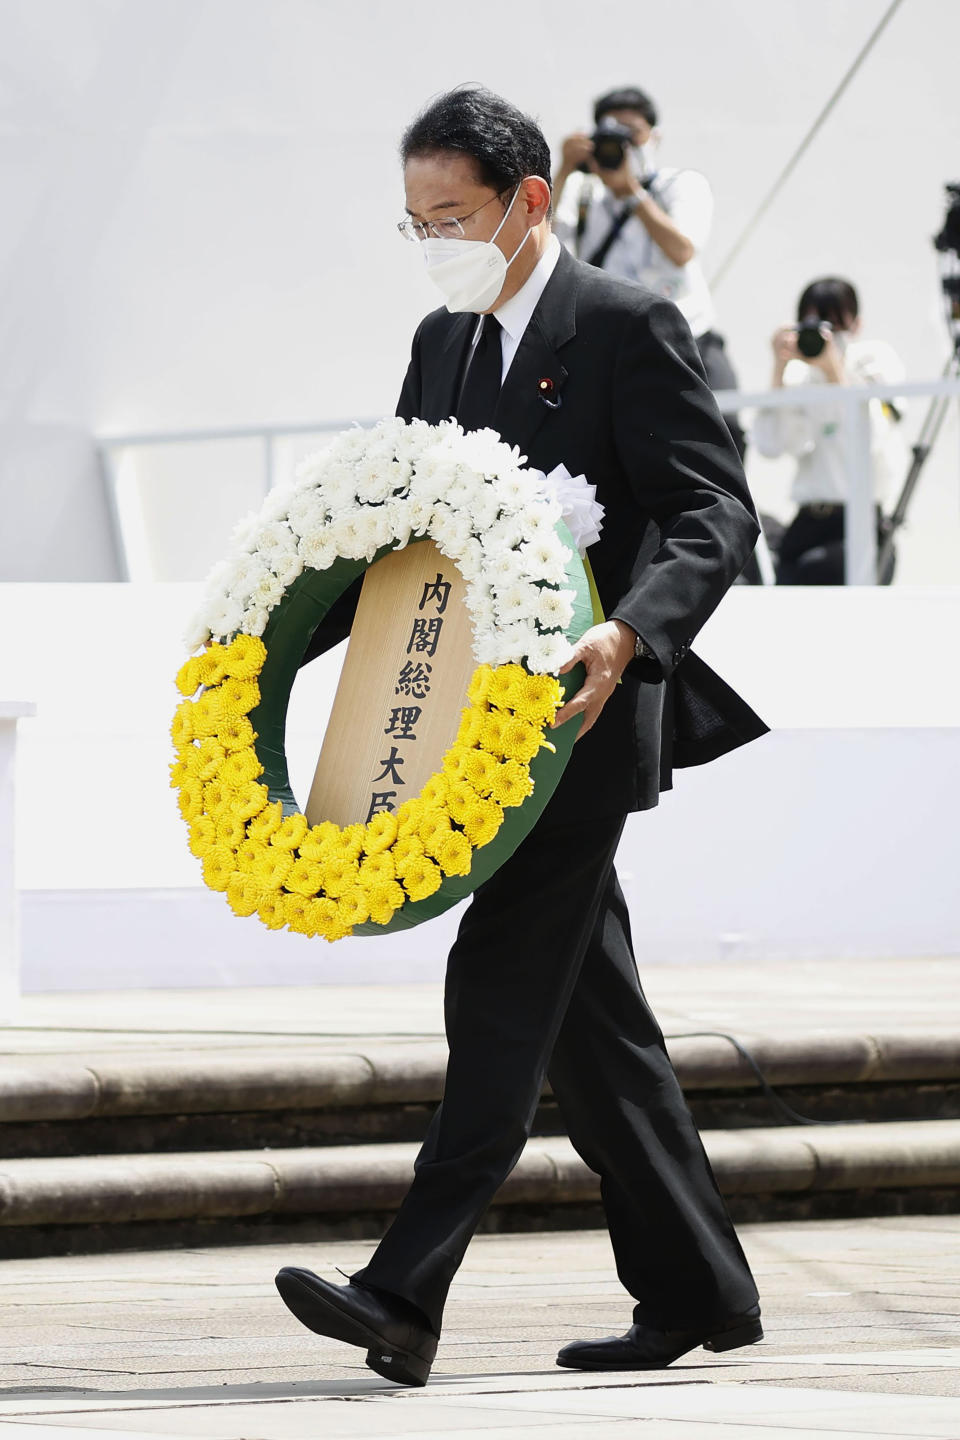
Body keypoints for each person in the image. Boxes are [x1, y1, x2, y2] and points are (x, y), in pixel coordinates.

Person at [275, 85, 767, 1387]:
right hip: (473, 721)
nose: (434, 239)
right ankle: (699, 1288)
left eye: (454, 214)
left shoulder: (624, 327)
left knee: (496, 986)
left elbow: (716, 511)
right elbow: (395, 532)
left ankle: (404, 1294)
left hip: (585, 719)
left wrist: (632, 633)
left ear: (529, 200)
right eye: (415, 220)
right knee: (593, 1026)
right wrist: (261, 653)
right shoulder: (442, 344)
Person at [553, 84, 746, 459]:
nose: (622, 144)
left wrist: (631, 193)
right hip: (617, 346)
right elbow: (543, 243)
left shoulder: (681, 184)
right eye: (612, 134)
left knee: (725, 434)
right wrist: (561, 169)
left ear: (653, 138)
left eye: (633, 133)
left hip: (689, 337)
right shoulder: (583, 192)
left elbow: (682, 249)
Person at [753, 277, 906, 584]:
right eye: (809, 326)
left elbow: (869, 441)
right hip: (808, 519)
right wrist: (778, 369)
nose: (823, 338)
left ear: (856, 324)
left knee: (815, 574)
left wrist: (833, 371)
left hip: (861, 520)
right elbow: (771, 445)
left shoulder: (874, 359)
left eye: (832, 325)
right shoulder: (799, 374)